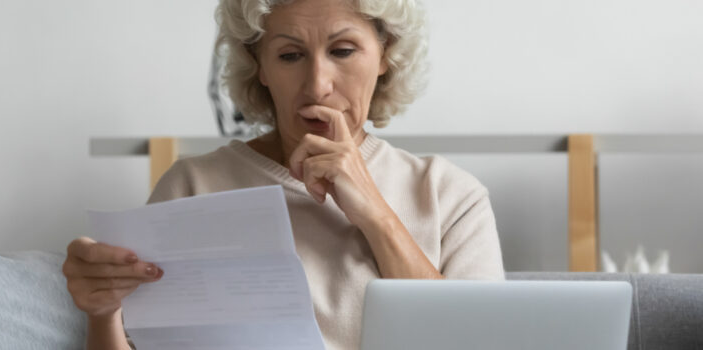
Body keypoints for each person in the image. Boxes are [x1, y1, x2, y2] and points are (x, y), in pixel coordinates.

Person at [62, 0, 505, 349]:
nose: (317, 86)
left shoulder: (451, 196)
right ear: (260, 67)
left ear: (385, 54)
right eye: (290, 55)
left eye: (343, 51)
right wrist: (102, 314)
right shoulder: (191, 188)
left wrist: (374, 211)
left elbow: (478, 343)